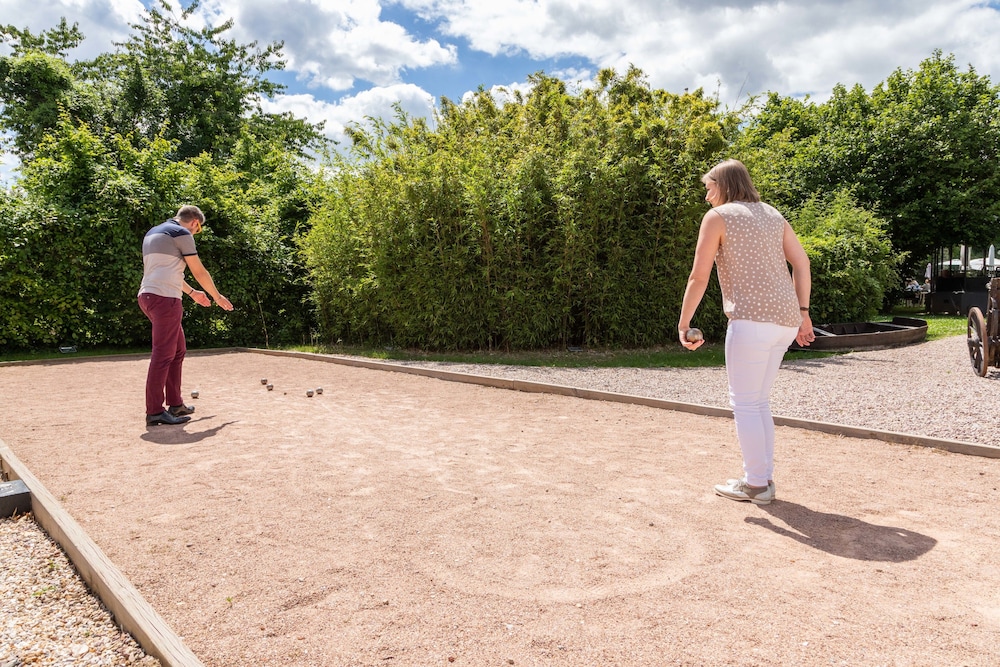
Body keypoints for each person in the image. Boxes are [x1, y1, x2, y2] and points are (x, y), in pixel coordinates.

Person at [678, 159, 814, 505]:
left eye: (709, 188)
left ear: (723, 185)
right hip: (785, 321)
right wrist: (804, 313)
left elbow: (698, 276)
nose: (707, 197)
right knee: (758, 402)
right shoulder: (773, 214)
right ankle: (762, 479)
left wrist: (684, 324)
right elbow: (802, 263)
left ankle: (755, 484)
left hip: (751, 320)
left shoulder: (718, 217)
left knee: (745, 403)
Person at [138, 205, 234, 426]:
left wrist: (192, 293)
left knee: (177, 350)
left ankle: (175, 404)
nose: (195, 234)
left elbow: (166, 270)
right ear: (195, 223)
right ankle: (154, 411)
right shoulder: (181, 233)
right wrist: (217, 297)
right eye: (197, 230)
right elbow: (199, 271)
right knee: (163, 355)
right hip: (165, 299)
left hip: (148, 296)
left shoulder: (154, 232)